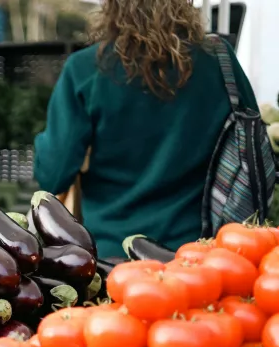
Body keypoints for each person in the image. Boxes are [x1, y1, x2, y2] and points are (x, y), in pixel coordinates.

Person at [33, 0, 259, 259]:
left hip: (114, 256)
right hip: (202, 255)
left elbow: (53, 176)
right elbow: (252, 149)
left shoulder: (85, 69)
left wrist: (46, 141)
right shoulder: (220, 60)